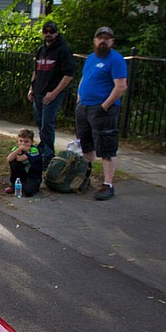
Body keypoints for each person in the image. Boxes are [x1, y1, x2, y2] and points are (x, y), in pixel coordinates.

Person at [75, 26, 128, 201]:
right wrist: (79, 99)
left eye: (107, 38)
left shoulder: (116, 59)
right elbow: (84, 78)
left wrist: (104, 106)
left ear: (112, 41)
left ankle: (108, 184)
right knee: (86, 145)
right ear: (94, 40)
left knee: (106, 147)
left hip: (102, 109)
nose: (103, 41)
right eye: (100, 37)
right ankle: (85, 178)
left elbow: (121, 86)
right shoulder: (90, 58)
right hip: (84, 107)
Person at [27, 21, 75, 161]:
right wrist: (31, 88)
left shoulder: (63, 50)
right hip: (38, 92)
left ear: (56, 33)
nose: (48, 34)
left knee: (47, 123)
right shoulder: (41, 50)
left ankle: (48, 155)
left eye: (51, 31)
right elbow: (36, 71)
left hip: (52, 94)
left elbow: (68, 75)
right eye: (45, 31)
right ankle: (43, 148)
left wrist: (54, 93)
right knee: (40, 122)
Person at [5, 128, 43, 195]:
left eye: (26, 141)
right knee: (13, 163)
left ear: (31, 142)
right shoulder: (17, 148)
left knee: (28, 192)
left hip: (33, 176)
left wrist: (17, 154)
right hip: (21, 174)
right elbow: (9, 159)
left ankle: (33, 186)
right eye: (21, 141)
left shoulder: (34, 150)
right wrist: (19, 149)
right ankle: (14, 184)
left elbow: (20, 159)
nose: (23, 143)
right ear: (17, 141)